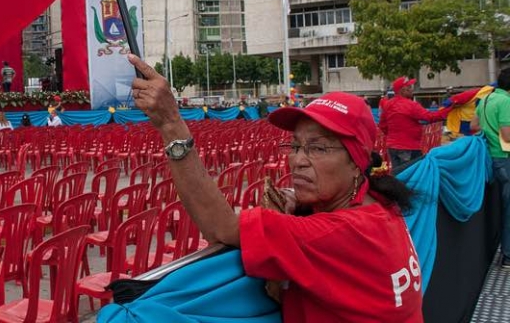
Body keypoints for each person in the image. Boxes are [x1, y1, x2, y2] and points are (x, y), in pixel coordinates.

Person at [128, 54, 423, 322]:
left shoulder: (334, 233)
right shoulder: (382, 204)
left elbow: (220, 227)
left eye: (318, 148)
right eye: (294, 146)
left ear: (356, 161)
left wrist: (170, 123)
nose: (298, 161)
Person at [471, 68, 510, 268]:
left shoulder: (485, 100)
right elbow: (507, 135)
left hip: (490, 158)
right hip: (504, 158)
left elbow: (474, 126)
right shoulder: (505, 102)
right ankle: (508, 254)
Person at [379, 76, 452, 172]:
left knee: (398, 175)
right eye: (409, 87)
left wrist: (393, 136)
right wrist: (450, 108)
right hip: (409, 147)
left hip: (393, 146)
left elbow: (382, 125)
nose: (411, 89)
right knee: (412, 175)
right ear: (403, 90)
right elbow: (430, 117)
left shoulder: (388, 104)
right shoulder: (411, 105)